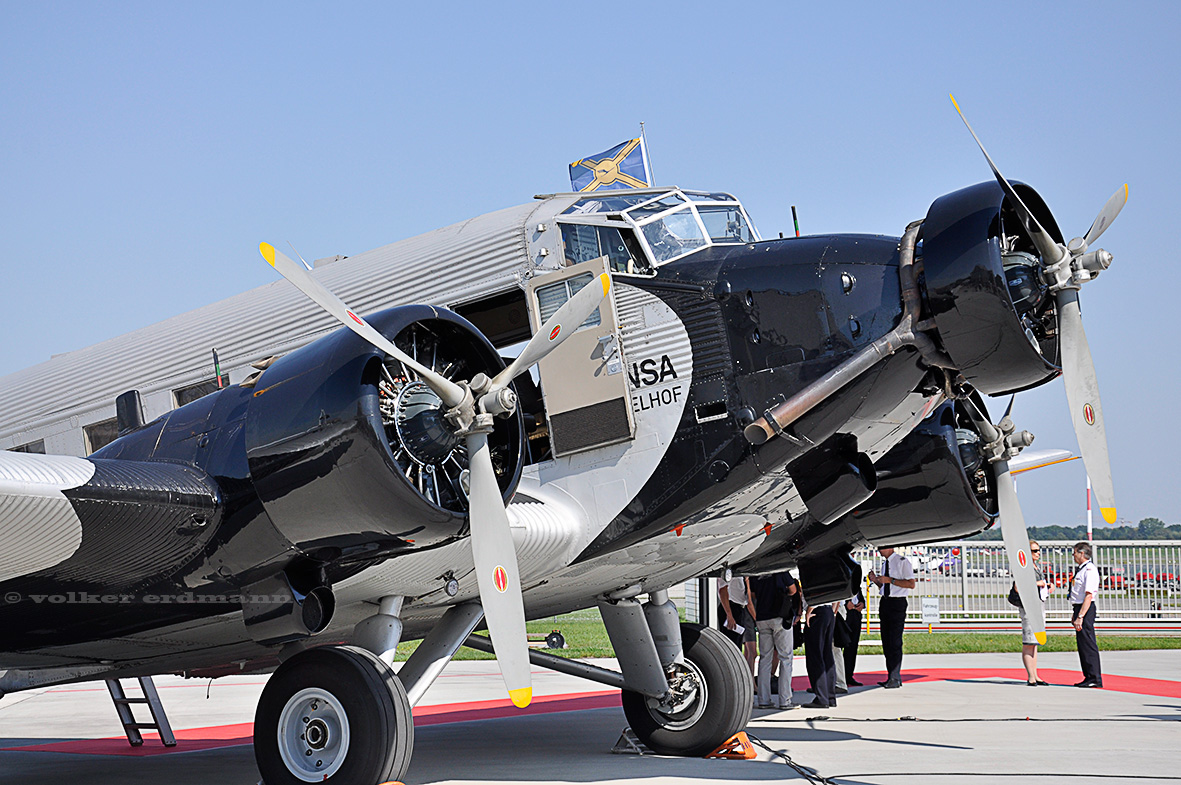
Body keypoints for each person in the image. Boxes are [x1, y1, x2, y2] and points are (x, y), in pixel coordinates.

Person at [868, 546, 916, 689]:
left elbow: (910, 584)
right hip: (886, 601)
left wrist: (890, 580)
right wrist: (876, 581)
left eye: (882, 548)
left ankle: (895, 676)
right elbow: (885, 587)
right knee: (886, 640)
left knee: (894, 640)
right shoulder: (885, 564)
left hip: (897, 602)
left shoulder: (902, 562)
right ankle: (891, 675)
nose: (879, 550)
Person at [749, 572, 798, 709]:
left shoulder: (756, 573)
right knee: (786, 658)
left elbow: (752, 594)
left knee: (765, 659)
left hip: (762, 617)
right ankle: (785, 700)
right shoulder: (780, 570)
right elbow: (793, 590)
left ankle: (764, 700)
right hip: (780, 617)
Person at [1015, 539, 1051, 686]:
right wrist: (1039, 583)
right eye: (1034, 551)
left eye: (1038, 550)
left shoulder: (1035, 567)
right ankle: (1030, 676)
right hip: (1029, 607)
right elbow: (1019, 586)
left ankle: (1035, 674)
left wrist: (1047, 586)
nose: (1038, 553)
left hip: (1038, 606)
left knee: (1034, 643)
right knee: (1029, 642)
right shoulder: (1024, 567)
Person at [1070, 541, 1103, 688]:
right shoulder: (1082, 569)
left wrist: (1081, 616)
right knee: (1082, 644)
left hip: (1086, 609)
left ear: (1082, 553)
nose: (1074, 556)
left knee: (1088, 643)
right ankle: (1088, 676)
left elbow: (1088, 595)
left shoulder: (1089, 570)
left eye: (1075, 553)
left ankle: (1094, 677)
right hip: (1079, 607)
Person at [719, 575, 758, 678]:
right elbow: (722, 591)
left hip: (741, 609)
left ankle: (739, 676)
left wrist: (756, 620)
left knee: (738, 646)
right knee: (732, 647)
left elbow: (748, 600)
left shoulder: (745, 577)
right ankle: (730, 676)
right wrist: (729, 615)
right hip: (731, 607)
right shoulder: (732, 574)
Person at [802, 600, 837, 709]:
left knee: (815, 656)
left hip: (817, 611)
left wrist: (809, 611)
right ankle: (830, 696)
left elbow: (815, 594)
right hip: (828, 611)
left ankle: (821, 697)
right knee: (827, 655)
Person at [842, 590, 866, 686]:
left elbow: (859, 595)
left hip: (855, 614)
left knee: (852, 646)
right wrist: (846, 604)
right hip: (844, 615)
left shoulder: (855, 581)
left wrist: (862, 603)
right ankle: (838, 676)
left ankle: (848, 675)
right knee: (838, 646)